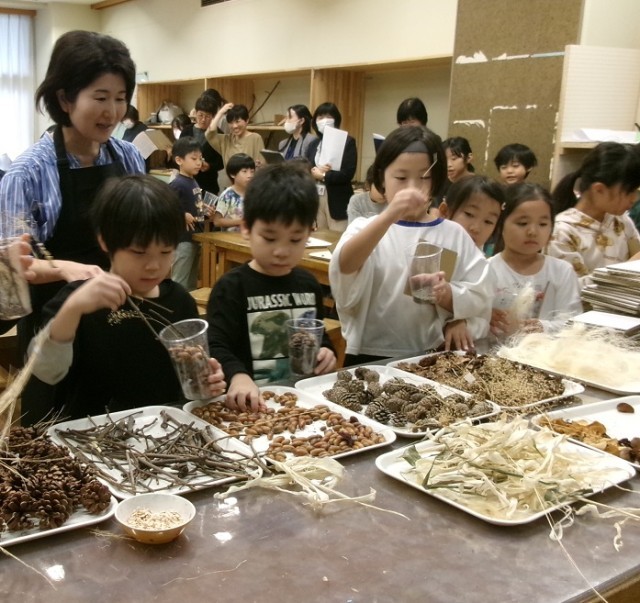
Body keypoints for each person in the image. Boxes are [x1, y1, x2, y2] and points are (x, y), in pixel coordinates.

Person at [27, 174, 226, 423]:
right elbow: (45, 372)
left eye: (165, 252)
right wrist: (73, 309)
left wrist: (205, 384)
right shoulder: (78, 300)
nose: (154, 266)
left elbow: (188, 380)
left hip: (166, 434)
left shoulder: (179, 300)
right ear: (105, 241)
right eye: (139, 252)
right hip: (93, 438)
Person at [0, 30, 146, 360]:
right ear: (65, 99)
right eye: (100, 97)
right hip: (54, 326)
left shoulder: (129, 158)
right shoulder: (27, 174)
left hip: (120, 315)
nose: (112, 111)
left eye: (121, 97)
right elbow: (7, 274)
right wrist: (64, 268)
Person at [329, 126, 492, 363]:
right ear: (382, 179)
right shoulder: (366, 226)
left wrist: (450, 299)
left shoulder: (451, 233)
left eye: (424, 177)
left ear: (435, 182)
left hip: (429, 353)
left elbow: (480, 291)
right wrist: (389, 216)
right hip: (369, 350)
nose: (412, 187)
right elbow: (344, 265)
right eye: (401, 178)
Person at [207, 163, 337, 412]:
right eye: (269, 237)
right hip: (250, 407)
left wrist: (326, 351)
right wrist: (237, 375)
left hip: (302, 406)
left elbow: (317, 334)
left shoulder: (308, 285)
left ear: (310, 231)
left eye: (295, 239)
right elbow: (216, 344)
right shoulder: (232, 287)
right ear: (246, 228)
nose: (281, 251)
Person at [489, 183, 582, 337]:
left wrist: (543, 327)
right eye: (522, 223)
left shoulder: (561, 271)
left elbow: (572, 323)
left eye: (543, 224)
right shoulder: (487, 270)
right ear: (500, 225)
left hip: (544, 356)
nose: (533, 231)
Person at [547, 142, 640, 286]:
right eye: (629, 191)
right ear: (599, 190)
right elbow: (570, 290)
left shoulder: (621, 221)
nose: (634, 198)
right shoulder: (562, 231)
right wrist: (625, 270)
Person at [306, 102, 357, 232]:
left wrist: (323, 175)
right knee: (319, 237)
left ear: (336, 119)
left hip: (337, 197)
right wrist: (313, 172)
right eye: (320, 117)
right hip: (317, 195)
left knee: (337, 237)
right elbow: (306, 166)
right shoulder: (314, 144)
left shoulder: (347, 141)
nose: (324, 121)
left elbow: (348, 173)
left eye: (329, 116)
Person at [169, 136, 208, 292]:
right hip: (182, 240)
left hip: (194, 237)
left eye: (200, 158)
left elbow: (192, 206)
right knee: (180, 280)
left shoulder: (192, 181)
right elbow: (166, 206)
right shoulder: (177, 183)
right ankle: (176, 312)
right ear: (179, 160)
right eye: (193, 159)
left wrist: (204, 209)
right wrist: (182, 214)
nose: (198, 163)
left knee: (192, 281)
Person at [438, 175, 504, 251]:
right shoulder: (428, 244)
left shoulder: (480, 261)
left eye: (488, 221)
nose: (476, 228)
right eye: (469, 214)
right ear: (444, 211)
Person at [179, 93, 224, 196]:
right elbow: (179, 153)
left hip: (208, 184)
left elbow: (222, 161)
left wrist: (209, 166)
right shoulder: (187, 131)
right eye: (200, 115)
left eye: (207, 116)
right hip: (187, 182)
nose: (203, 119)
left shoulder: (219, 134)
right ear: (195, 113)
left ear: (213, 116)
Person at [205, 103, 264, 167]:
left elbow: (261, 166)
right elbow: (209, 133)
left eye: (237, 121)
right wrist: (221, 112)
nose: (234, 126)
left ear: (247, 120)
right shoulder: (225, 140)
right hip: (230, 177)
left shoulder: (255, 138)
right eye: (231, 122)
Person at [214, 153, 255, 232]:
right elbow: (217, 221)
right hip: (230, 240)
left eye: (252, 171)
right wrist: (240, 222)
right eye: (244, 171)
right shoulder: (227, 195)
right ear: (232, 174)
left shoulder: (255, 194)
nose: (249, 175)